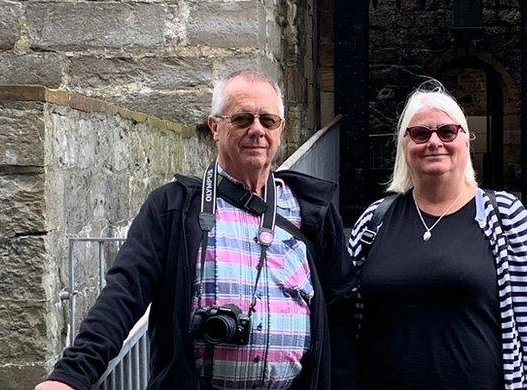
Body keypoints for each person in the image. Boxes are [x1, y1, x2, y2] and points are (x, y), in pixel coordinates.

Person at [37, 70, 357, 390]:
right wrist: (71, 375)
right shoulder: (174, 208)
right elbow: (124, 293)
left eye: (268, 120)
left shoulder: (312, 212)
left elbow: (339, 316)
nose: (257, 130)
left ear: (280, 129)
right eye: (243, 118)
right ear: (215, 127)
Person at [348, 83, 527, 389]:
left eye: (447, 132)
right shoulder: (374, 220)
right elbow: (345, 323)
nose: (434, 142)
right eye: (421, 133)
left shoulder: (504, 216)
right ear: (404, 146)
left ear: (466, 141)